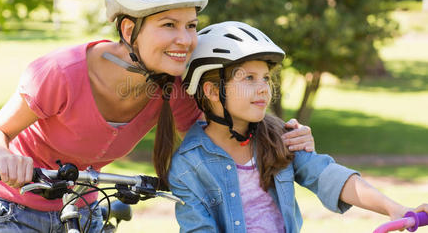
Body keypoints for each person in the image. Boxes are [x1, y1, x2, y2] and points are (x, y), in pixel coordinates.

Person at [0, 0, 313, 232]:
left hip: (82, 210)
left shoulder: (173, 86)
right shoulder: (60, 73)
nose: (185, 39)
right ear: (129, 30)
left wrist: (284, 136)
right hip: (10, 208)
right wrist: (2, 155)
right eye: (169, 25)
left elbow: (221, 136)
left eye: (191, 25)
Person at [169, 21, 423, 233]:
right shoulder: (188, 165)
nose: (263, 88)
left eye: (266, 78)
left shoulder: (279, 137)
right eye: (248, 78)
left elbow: (328, 176)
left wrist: (394, 208)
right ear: (213, 90)